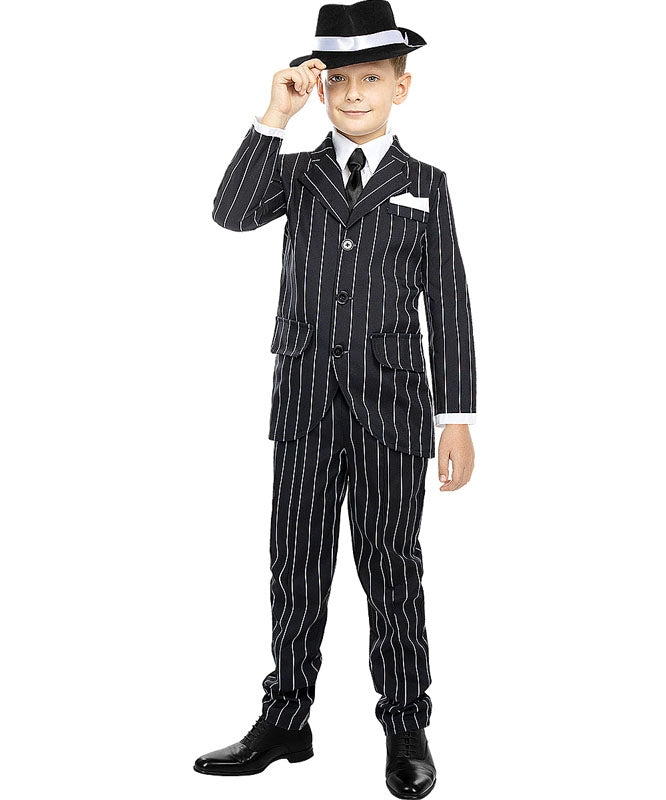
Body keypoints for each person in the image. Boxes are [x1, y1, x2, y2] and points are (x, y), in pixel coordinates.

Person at [194, 2, 476, 796]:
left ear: (401, 87)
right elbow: (229, 214)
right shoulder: (295, 173)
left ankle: (406, 723)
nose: (354, 94)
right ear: (321, 88)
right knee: (296, 563)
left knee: (391, 566)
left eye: (371, 79)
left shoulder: (426, 186)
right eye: (339, 80)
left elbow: (449, 305)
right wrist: (274, 116)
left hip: (395, 410)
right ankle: (286, 718)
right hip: (306, 404)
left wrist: (457, 419)